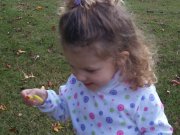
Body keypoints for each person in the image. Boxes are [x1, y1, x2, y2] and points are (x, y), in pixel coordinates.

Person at [21, 0, 173, 134]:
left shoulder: (139, 92)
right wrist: (45, 99)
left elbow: (159, 131)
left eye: (90, 70)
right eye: (73, 66)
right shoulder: (77, 83)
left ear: (120, 58)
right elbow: (64, 108)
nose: (79, 76)